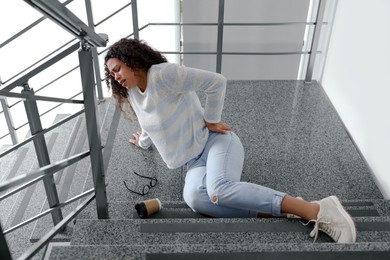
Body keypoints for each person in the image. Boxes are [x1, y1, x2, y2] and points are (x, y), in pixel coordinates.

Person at [104, 38, 357, 243]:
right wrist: (143, 142)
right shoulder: (133, 93)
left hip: (216, 142)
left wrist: (212, 119)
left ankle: (317, 210)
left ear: (133, 61)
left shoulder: (164, 75)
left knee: (219, 190)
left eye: (117, 69)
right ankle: (284, 208)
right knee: (195, 200)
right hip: (194, 162)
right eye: (111, 74)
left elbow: (216, 82)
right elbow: (148, 122)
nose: (115, 76)